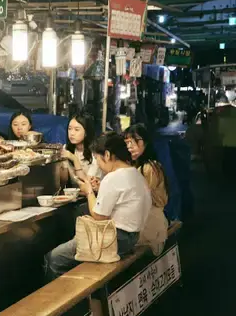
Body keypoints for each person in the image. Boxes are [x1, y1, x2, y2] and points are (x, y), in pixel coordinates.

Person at [46, 133, 151, 278]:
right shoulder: (134, 173)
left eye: (97, 159)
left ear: (107, 155)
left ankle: (66, 297)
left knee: (54, 258)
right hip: (132, 238)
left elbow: (99, 216)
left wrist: (89, 191)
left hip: (114, 240)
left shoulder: (113, 177)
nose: (99, 166)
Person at [124, 123, 168, 212]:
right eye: (126, 143)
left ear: (144, 142)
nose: (129, 147)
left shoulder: (149, 168)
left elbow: (139, 197)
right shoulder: (136, 165)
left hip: (150, 216)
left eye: (132, 142)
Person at [62, 113, 101, 189]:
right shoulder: (66, 148)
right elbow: (64, 179)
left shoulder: (96, 152)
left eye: (77, 130)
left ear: (86, 132)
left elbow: (86, 184)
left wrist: (74, 159)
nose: (72, 133)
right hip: (74, 193)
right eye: (69, 129)